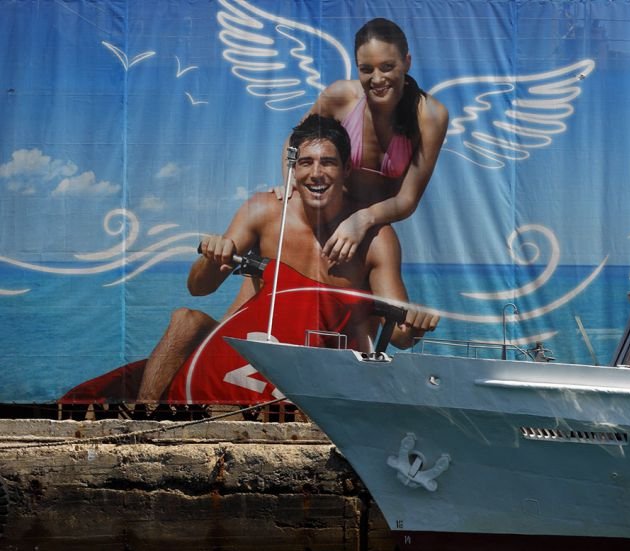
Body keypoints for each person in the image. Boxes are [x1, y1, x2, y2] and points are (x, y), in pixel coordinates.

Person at [62, 115, 439, 405]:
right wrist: (214, 256)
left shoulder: (375, 239)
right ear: (293, 170)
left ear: (345, 170)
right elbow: (198, 288)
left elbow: (399, 333)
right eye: (305, 163)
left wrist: (415, 325)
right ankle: (146, 419)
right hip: (248, 350)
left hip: (320, 365)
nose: (316, 173)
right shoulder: (265, 212)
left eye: (328, 162)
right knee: (185, 319)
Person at [280, 17, 449, 265]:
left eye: (387, 67)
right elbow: (294, 141)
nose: (377, 79)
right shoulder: (341, 96)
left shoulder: (431, 116)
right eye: (367, 69)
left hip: (371, 227)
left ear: (407, 62)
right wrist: (290, 186)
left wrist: (362, 220)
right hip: (326, 215)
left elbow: (407, 199)